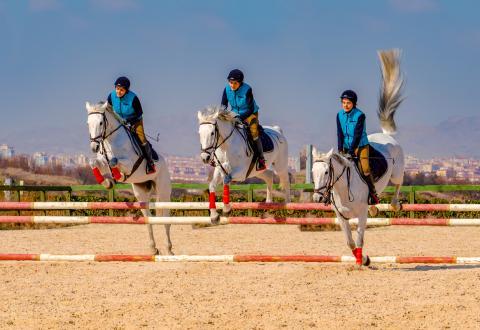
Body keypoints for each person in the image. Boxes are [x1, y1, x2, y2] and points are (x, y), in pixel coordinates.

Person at [336, 90, 379, 204]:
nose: (345, 105)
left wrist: (351, 152)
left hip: (360, 145)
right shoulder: (339, 115)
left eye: (348, 103)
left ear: (354, 103)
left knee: (364, 169)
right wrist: (340, 149)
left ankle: (372, 193)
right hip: (346, 146)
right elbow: (339, 133)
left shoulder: (360, 115)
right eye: (343, 102)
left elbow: (357, 135)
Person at [107, 76, 156, 174]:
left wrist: (129, 121)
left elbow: (139, 113)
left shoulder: (133, 98)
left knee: (142, 139)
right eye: (117, 88)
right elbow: (108, 109)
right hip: (119, 121)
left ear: (126, 90)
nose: (118, 91)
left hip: (135, 121)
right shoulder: (111, 96)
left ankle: (150, 164)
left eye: (121, 90)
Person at [221, 69, 266, 171]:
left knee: (254, 131)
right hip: (234, 114)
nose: (232, 85)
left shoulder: (247, 89)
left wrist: (240, 118)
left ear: (240, 83)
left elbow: (250, 109)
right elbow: (223, 105)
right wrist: (222, 116)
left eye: (235, 83)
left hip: (250, 113)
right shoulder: (226, 89)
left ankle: (261, 159)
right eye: (230, 82)